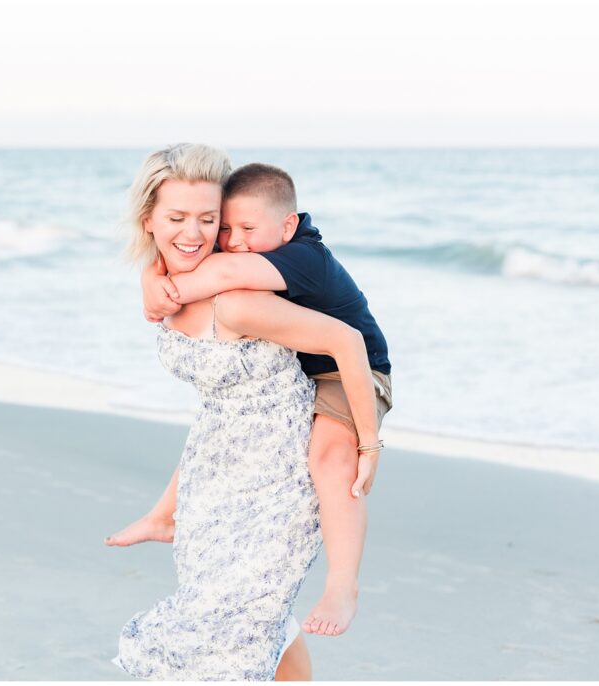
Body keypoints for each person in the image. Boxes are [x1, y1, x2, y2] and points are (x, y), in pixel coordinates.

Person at [107, 143, 381, 681]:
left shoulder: (246, 284)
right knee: (255, 620)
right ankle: (164, 517)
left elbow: (349, 343)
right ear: (149, 221)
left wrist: (370, 444)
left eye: (208, 220)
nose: (201, 233)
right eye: (179, 218)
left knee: (232, 620)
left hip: (305, 434)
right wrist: (153, 279)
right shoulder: (205, 263)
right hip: (223, 469)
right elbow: (222, 401)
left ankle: (344, 583)